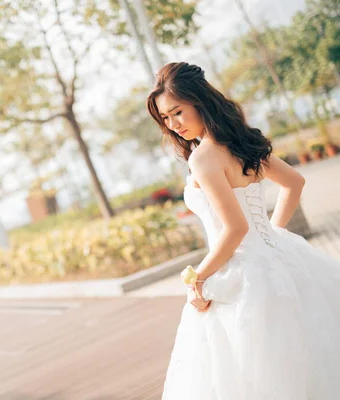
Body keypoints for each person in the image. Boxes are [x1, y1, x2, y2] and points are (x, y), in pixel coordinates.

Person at [146, 62, 340, 400]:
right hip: (279, 259)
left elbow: (235, 229)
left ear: (198, 101)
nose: (173, 124)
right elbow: (295, 183)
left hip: (243, 274)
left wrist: (199, 278)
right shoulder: (241, 141)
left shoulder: (204, 158)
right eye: (165, 118)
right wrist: (272, 238)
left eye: (177, 112)